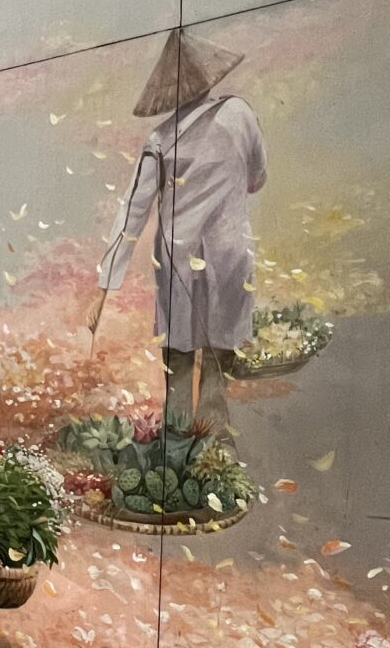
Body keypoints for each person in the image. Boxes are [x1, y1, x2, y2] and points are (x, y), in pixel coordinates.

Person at [86, 29, 267, 437]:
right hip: (231, 254)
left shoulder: (160, 139)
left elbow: (133, 210)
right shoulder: (240, 115)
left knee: (180, 360)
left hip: (178, 263)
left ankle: (180, 452)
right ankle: (214, 456)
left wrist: (103, 286)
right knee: (221, 357)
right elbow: (257, 177)